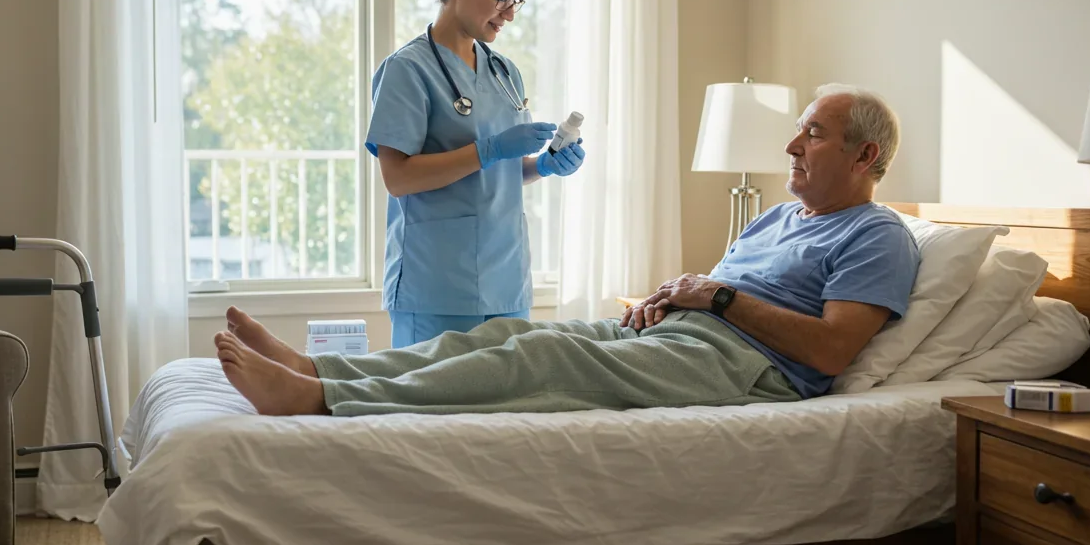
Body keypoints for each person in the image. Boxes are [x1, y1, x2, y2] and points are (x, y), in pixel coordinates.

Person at [215, 84, 919, 417]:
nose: (793, 146)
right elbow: (721, 294)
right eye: (798, 131)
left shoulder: (876, 234)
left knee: (539, 358)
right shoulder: (775, 218)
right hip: (684, 336)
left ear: (865, 155)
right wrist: (671, 297)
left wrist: (717, 296)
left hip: (750, 370)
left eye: (814, 135)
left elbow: (829, 351)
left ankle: (322, 400)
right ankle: (318, 367)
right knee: (505, 334)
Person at [367, 0, 587, 349]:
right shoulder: (407, 70)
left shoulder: (504, 72)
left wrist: (541, 166)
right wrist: (489, 149)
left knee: (502, 412)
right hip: (436, 283)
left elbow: (495, 173)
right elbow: (399, 179)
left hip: (507, 280)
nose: (508, 12)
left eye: (515, 1)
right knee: (429, 410)